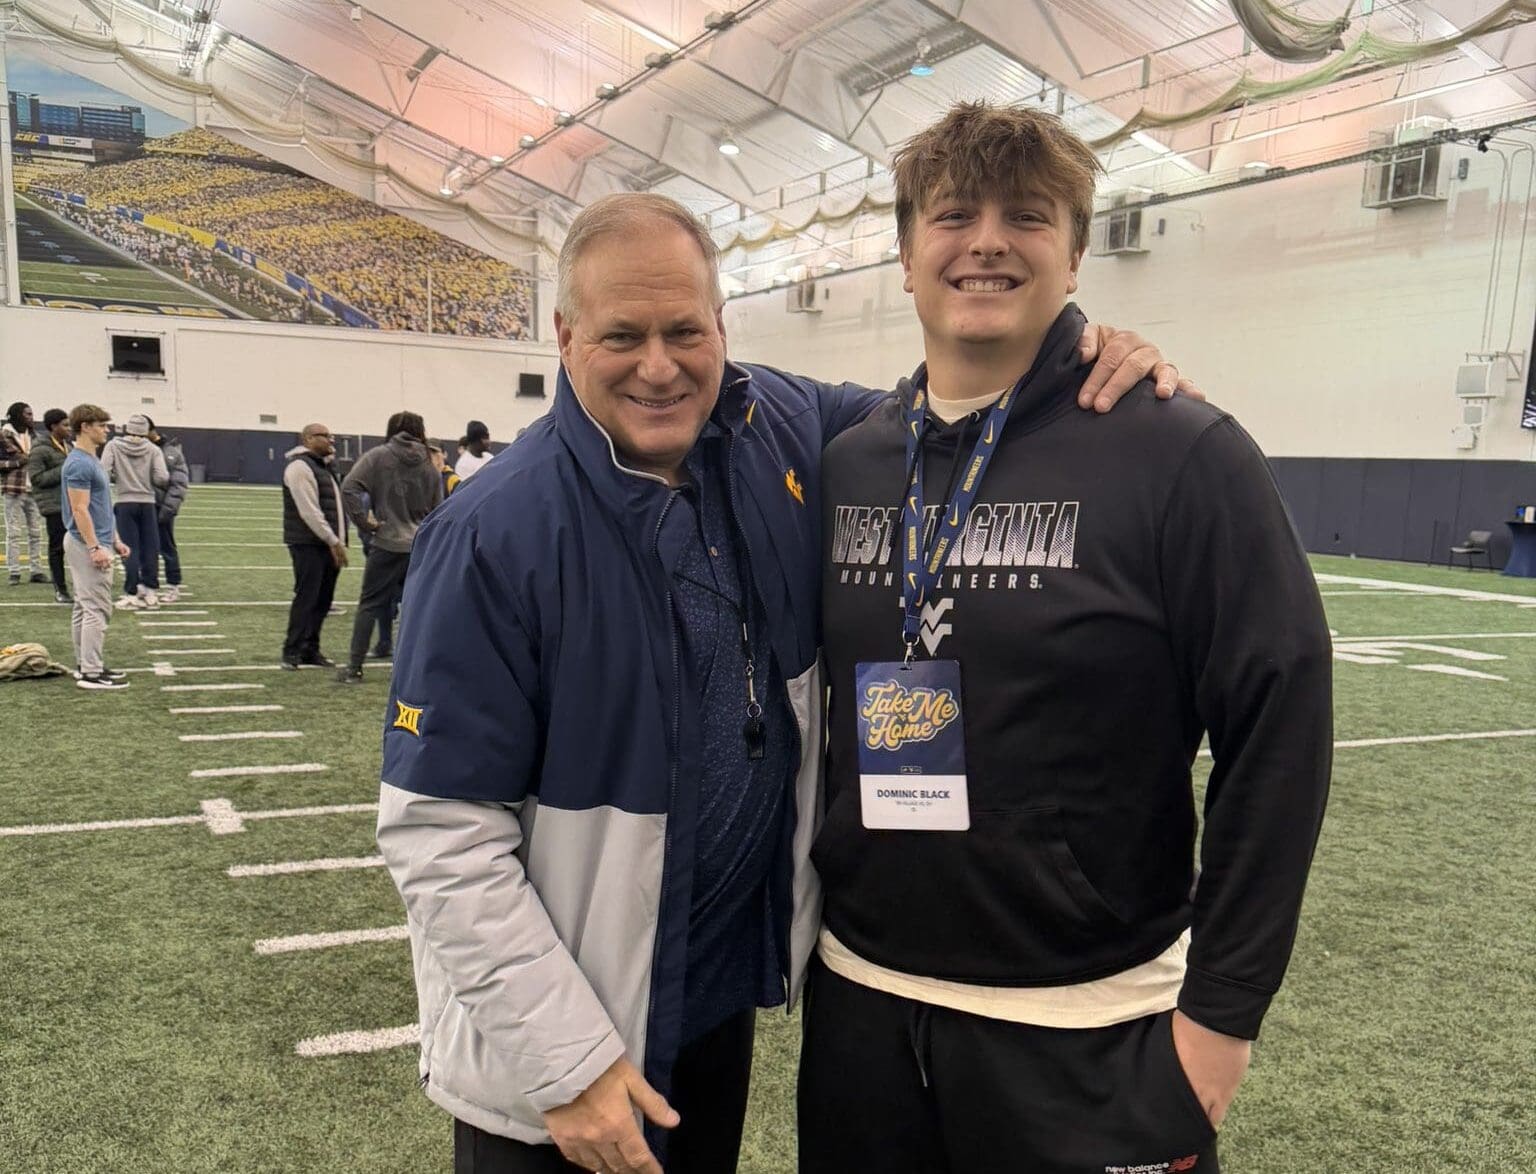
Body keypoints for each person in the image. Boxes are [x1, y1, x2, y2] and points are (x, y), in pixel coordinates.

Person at [374, 191, 1190, 1174]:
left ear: (723, 324)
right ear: (564, 334)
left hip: (711, 1015)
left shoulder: (785, 427)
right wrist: (569, 1063)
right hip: (568, 1064)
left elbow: (948, 400)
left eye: (685, 330)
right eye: (622, 335)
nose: (660, 365)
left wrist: (1079, 354)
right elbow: (441, 833)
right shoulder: (492, 534)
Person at [801, 102, 1333, 1174]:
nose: (987, 240)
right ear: (906, 256)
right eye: (953, 213)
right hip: (861, 1006)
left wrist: (1220, 1020)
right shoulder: (851, 459)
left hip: (1094, 1026)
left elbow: (1282, 724)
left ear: (1078, 251)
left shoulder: (1181, 453)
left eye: (1027, 216)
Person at [337, 411, 440, 683]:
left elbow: (349, 487)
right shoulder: (430, 462)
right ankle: (417, 671)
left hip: (386, 541)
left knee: (369, 605)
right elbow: (440, 508)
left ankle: (354, 668)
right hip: (418, 545)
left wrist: (366, 523)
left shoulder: (378, 456)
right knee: (418, 609)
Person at [62, 404, 132, 690]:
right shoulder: (79, 462)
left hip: (96, 540)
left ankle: (86, 665)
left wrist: (114, 540)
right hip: (85, 543)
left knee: (83, 606)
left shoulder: (91, 460)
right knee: (96, 608)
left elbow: (102, 506)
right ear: (85, 427)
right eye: (101, 425)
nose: (107, 429)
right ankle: (91, 672)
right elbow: (80, 509)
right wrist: (94, 547)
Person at [281, 423, 348, 670]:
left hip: (326, 543)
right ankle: (291, 650)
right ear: (308, 438)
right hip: (309, 543)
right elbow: (309, 510)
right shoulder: (299, 467)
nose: (331, 440)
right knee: (306, 597)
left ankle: (310, 648)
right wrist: (333, 540)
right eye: (324, 436)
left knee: (322, 599)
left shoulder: (324, 467)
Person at [100, 413, 169, 610]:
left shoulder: (113, 445)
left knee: (129, 548)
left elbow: (103, 470)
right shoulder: (153, 449)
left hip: (124, 501)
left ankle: (132, 592)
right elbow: (162, 478)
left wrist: (118, 477)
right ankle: (151, 591)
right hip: (147, 502)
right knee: (151, 548)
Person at [26, 409, 73, 603]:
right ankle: (60, 589)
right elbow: (36, 478)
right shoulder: (39, 449)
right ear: (53, 426)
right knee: (57, 548)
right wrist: (65, 468)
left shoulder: (68, 446)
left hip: (72, 503)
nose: (69, 428)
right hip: (54, 505)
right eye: (65, 425)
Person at [1, 402, 46, 587]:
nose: (31, 417)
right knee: (14, 532)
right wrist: (17, 463)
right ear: (18, 415)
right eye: (28, 414)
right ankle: (14, 571)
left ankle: (36, 570)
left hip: (33, 488)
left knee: (36, 532)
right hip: (13, 489)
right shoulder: (3, 435)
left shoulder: (34, 435)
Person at [148, 419, 190, 603]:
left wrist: (168, 509)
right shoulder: (141, 450)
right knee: (146, 549)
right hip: (144, 505)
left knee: (167, 547)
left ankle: (173, 586)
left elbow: (179, 483)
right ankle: (149, 586)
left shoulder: (171, 452)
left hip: (161, 506)